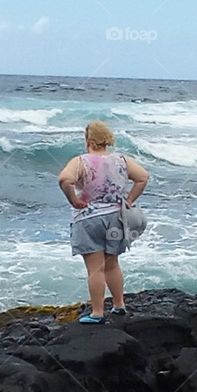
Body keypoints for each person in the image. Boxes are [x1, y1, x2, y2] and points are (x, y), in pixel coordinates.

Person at [58, 120, 149, 324]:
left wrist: (74, 199)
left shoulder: (80, 161)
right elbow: (143, 177)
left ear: (88, 140)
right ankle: (119, 305)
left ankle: (97, 313)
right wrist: (129, 200)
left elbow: (65, 179)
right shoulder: (121, 160)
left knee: (95, 268)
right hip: (116, 218)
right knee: (112, 264)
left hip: (89, 219)